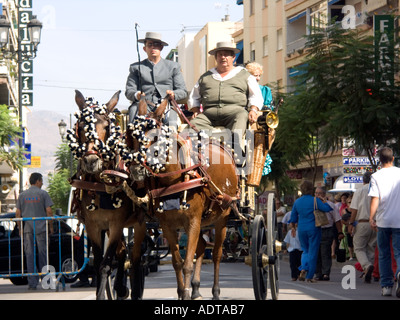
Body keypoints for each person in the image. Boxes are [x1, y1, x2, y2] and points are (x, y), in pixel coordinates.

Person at [187, 41, 263, 143]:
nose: (223, 57)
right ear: (216, 58)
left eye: (226, 54)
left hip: (235, 114)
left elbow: (256, 95)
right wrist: (196, 110)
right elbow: (193, 96)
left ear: (233, 58)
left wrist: (253, 110)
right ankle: (206, 149)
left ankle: (236, 153)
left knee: (241, 118)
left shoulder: (245, 75)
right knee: (193, 126)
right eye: (220, 55)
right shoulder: (205, 77)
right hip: (209, 116)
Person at [125, 32, 188, 128]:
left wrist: (173, 94)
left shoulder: (173, 66)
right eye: (149, 45)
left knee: (172, 125)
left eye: (156, 45)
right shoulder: (135, 68)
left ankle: (172, 142)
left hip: (166, 106)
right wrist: (137, 95)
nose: (153, 48)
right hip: (143, 106)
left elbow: (183, 91)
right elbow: (129, 91)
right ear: (144, 48)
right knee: (133, 122)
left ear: (161, 47)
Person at [368, 147, 400, 297]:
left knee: (384, 254)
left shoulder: (376, 176)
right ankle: (399, 273)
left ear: (379, 161)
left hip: (383, 221)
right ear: (393, 158)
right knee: (399, 252)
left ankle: (386, 286)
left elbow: (375, 198)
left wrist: (371, 217)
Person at [16, 173, 54, 290]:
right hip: (41, 229)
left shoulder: (22, 195)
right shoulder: (43, 194)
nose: (42, 183)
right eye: (41, 181)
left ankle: (32, 283)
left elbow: (18, 213)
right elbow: (49, 211)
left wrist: (20, 228)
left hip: (27, 229)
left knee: (29, 255)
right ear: (37, 181)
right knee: (43, 255)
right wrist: (51, 227)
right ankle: (45, 282)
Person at [290, 180, 332, 283]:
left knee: (305, 250)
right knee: (313, 252)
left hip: (302, 228)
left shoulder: (297, 202)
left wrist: (293, 228)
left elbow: (293, 217)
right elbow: (327, 209)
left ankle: (304, 267)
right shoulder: (315, 200)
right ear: (311, 190)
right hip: (314, 228)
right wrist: (324, 201)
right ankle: (309, 276)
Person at [245, 62, 273, 176]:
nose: (257, 78)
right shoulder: (243, 89)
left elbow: (269, 108)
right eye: (254, 75)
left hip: (260, 124)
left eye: (259, 75)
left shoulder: (265, 90)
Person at [348, 171, 377, 283]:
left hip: (363, 222)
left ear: (363, 180)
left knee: (359, 248)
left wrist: (351, 223)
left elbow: (354, 209)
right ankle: (367, 273)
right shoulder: (378, 190)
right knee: (371, 248)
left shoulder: (359, 191)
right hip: (375, 223)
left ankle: (367, 265)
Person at [314, 187, 343, 281]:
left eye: (320, 193)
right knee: (316, 252)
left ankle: (325, 273)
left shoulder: (331, 205)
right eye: (316, 193)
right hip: (315, 230)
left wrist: (340, 232)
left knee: (325, 252)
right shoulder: (312, 205)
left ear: (324, 194)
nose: (317, 195)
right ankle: (318, 273)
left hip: (327, 230)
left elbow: (337, 219)